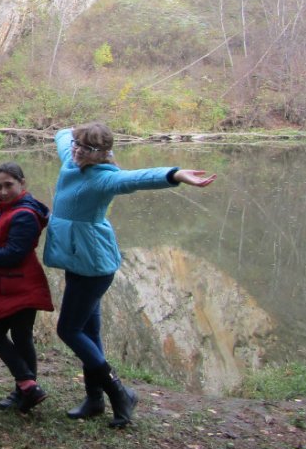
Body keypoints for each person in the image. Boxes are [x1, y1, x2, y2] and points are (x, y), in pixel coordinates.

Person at [43, 123, 216, 427]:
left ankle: (119, 392)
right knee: (89, 332)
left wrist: (174, 174)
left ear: (104, 154)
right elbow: (62, 137)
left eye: (88, 148)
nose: (79, 151)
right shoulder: (70, 158)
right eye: (78, 145)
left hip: (94, 264)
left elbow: (136, 179)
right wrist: (71, 129)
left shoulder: (104, 178)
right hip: (76, 258)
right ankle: (94, 399)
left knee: (68, 330)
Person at [0, 162, 54, 413]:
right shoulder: (7, 209)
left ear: (22, 184)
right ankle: (26, 390)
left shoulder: (24, 215)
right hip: (12, 284)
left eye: (9, 185)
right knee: (19, 336)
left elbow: (12, 254)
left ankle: (27, 386)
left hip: (22, 284)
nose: (2, 191)